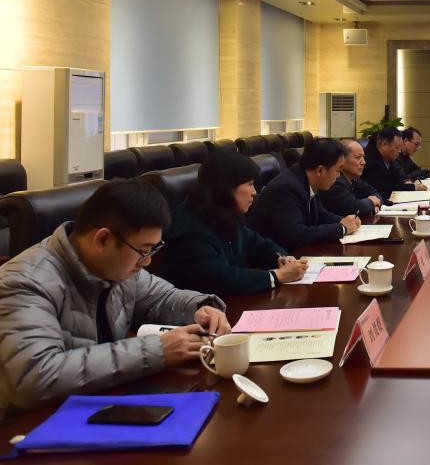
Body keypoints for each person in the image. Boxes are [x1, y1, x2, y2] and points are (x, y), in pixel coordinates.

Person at [0, 180, 230, 417]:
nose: (147, 261)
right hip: (29, 424)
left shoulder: (116, 267)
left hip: (96, 404)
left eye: (152, 250)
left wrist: (199, 308)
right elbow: (36, 376)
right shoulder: (25, 282)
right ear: (103, 240)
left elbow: (162, 297)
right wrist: (158, 350)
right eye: (143, 251)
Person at [150, 151, 309, 297]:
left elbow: (256, 243)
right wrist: (277, 276)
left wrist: (280, 258)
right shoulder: (190, 229)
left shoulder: (225, 213)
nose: (254, 192)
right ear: (226, 188)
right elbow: (222, 279)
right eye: (249, 184)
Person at [247, 137, 361, 250]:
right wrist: (342, 228)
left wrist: (344, 220)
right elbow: (297, 234)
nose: (338, 176)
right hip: (277, 255)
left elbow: (320, 214)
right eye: (337, 170)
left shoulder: (306, 178)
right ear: (320, 170)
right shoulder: (287, 187)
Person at [321, 138, 384, 217]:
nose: (363, 162)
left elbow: (374, 192)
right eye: (358, 157)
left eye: (363, 157)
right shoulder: (334, 181)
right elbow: (354, 207)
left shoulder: (354, 178)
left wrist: (374, 204)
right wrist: (371, 203)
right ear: (342, 159)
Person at [363, 127, 427, 198]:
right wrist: (413, 187)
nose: (399, 151)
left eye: (400, 147)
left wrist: (405, 182)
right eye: (397, 147)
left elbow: (400, 177)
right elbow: (386, 188)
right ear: (384, 145)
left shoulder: (387, 157)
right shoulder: (372, 162)